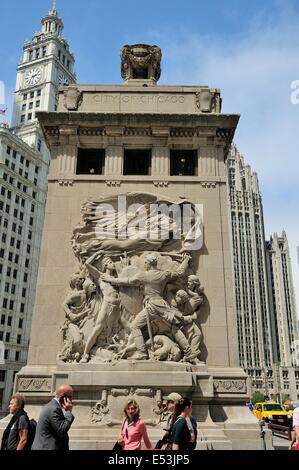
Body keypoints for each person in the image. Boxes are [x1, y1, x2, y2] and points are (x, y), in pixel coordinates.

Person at [31, 384, 75, 450]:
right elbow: (62, 430)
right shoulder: (54, 408)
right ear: (63, 397)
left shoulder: (52, 406)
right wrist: (68, 412)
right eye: (70, 397)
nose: (71, 401)